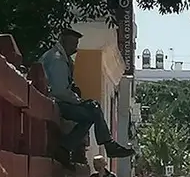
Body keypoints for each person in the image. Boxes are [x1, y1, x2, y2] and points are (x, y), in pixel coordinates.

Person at [38, 28, 134, 163]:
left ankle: (68, 147)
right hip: (55, 102)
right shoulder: (57, 59)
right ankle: (107, 145)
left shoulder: (62, 58)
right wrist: (78, 101)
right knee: (92, 110)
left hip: (58, 101)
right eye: (73, 44)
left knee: (92, 112)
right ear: (64, 41)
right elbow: (59, 91)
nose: (75, 48)